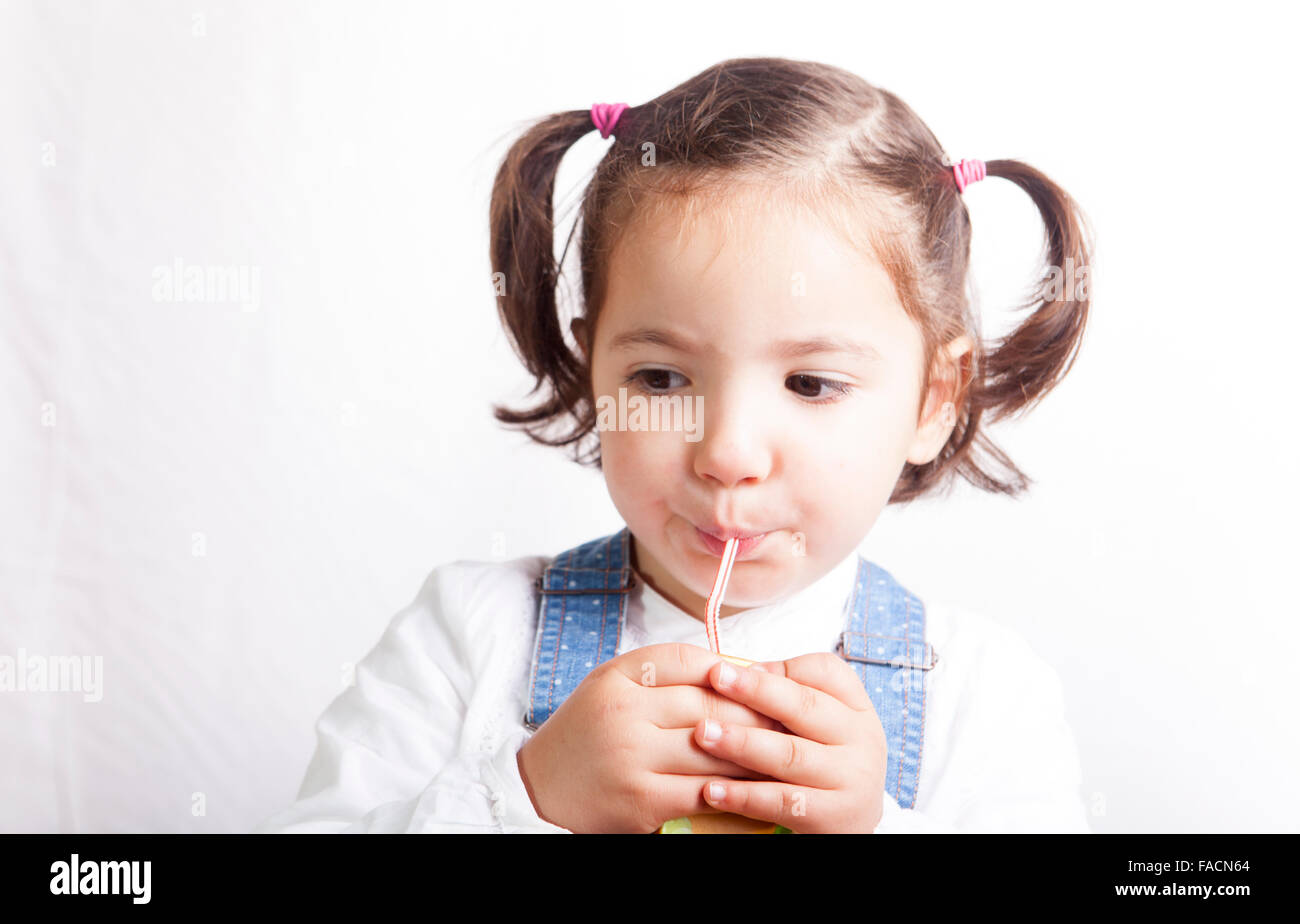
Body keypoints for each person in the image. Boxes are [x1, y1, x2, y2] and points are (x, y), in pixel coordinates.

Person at [256, 56, 1094, 834]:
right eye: (660, 380)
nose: (726, 453)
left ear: (931, 400)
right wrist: (528, 796)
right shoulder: (472, 635)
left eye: (811, 384)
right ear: (594, 375)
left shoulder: (981, 696)